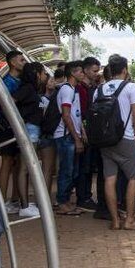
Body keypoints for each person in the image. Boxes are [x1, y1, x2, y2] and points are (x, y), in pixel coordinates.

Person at [95, 55, 135, 230]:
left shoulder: (99, 89)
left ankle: (115, 221)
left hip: (105, 141)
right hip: (125, 138)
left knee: (110, 178)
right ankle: (129, 220)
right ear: (124, 70)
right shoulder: (130, 87)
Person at [12, 62, 47, 218]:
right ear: (36, 73)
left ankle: (24, 203)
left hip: (32, 129)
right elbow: (11, 101)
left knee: (26, 168)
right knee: (25, 168)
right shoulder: (27, 88)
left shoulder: (32, 89)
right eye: (43, 73)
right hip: (29, 130)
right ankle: (24, 206)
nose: (45, 76)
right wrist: (19, 121)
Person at [54, 61, 86, 215]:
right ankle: (62, 202)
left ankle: (65, 200)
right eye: (80, 71)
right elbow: (66, 115)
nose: (82, 74)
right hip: (66, 136)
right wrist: (77, 138)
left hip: (71, 135)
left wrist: (82, 133)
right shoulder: (67, 91)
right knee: (67, 170)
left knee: (72, 170)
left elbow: (75, 115)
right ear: (73, 73)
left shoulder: (73, 90)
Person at [0, 50, 25, 214]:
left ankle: (13, 199)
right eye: (21, 60)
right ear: (12, 62)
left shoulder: (17, 81)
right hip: (6, 127)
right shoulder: (8, 82)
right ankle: (2, 201)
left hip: (14, 127)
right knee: (7, 162)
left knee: (16, 162)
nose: (23, 63)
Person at [74, 57, 101, 211]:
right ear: (85, 70)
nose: (97, 74)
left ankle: (86, 195)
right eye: (94, 71)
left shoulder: (90, 87)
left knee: (89, 166)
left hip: (90, 131)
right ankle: (83, 197)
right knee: (85, 166)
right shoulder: (81, 89)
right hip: (85, 132)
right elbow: (81, 113)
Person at [37, 73, 57, 199]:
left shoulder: (51, 98)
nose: (53, 82)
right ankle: (45, 199)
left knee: (49, 169)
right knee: (47, 169)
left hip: (48, 135)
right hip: (46, 136)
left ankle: (46, 198)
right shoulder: (43, 99)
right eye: (51, 80)